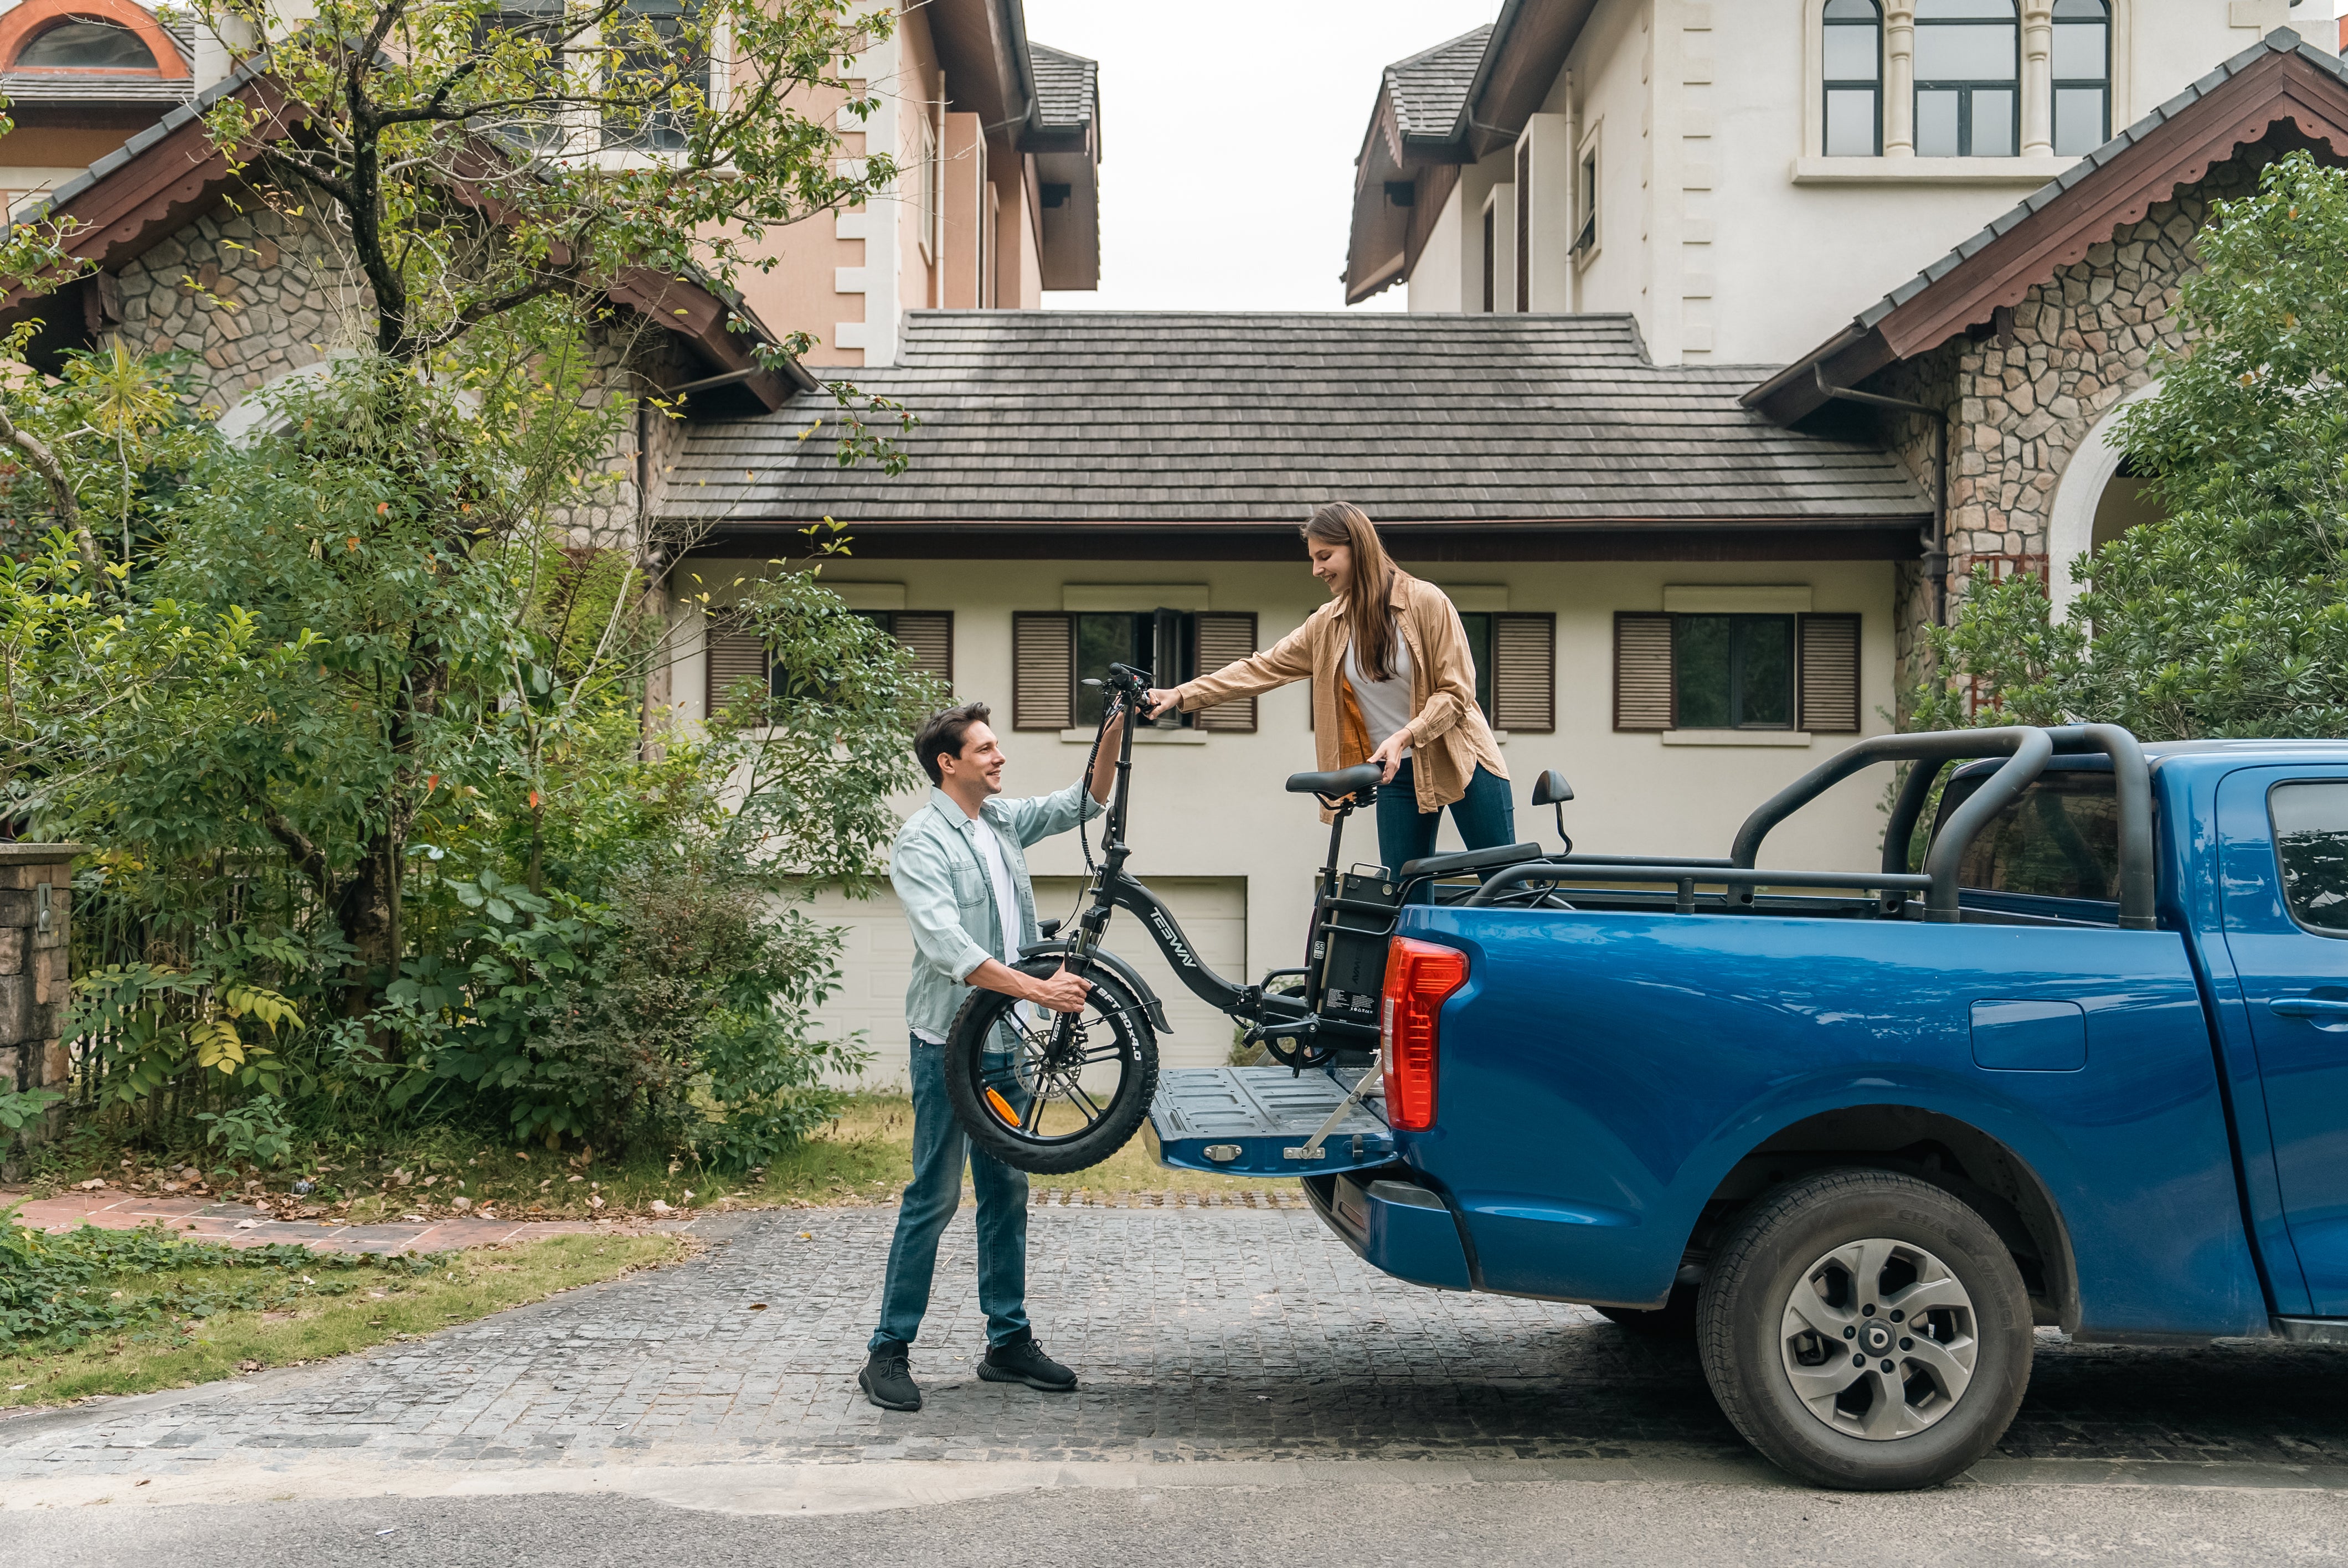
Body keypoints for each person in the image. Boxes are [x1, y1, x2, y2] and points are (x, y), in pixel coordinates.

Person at [859, 698, 1125, 1413]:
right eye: (985, 750)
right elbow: (951, 950)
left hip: (1002, 1047)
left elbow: (1088, 800)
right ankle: (888, 1349)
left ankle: (1007, 1342)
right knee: (935, 1196)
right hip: (948, 1048)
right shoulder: (922, 843)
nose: (999, 757)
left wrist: (1118, 720)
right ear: (949, 764)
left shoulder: (1000, 821)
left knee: (1007, 1192)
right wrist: (1038, 989)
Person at [1146, 501, 1512, 875]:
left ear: (1359, 548)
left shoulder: (1426, 602)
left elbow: (1457, 691)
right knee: (1402, 898)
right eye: (1313, 558)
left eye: (1325, 556)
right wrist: (1179, 694)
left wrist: (1406, 735)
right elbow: (1263, 668)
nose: (1316, 569)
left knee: (1504, 888)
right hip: (1395, 773)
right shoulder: (1328, 624)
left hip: (1463, 759)